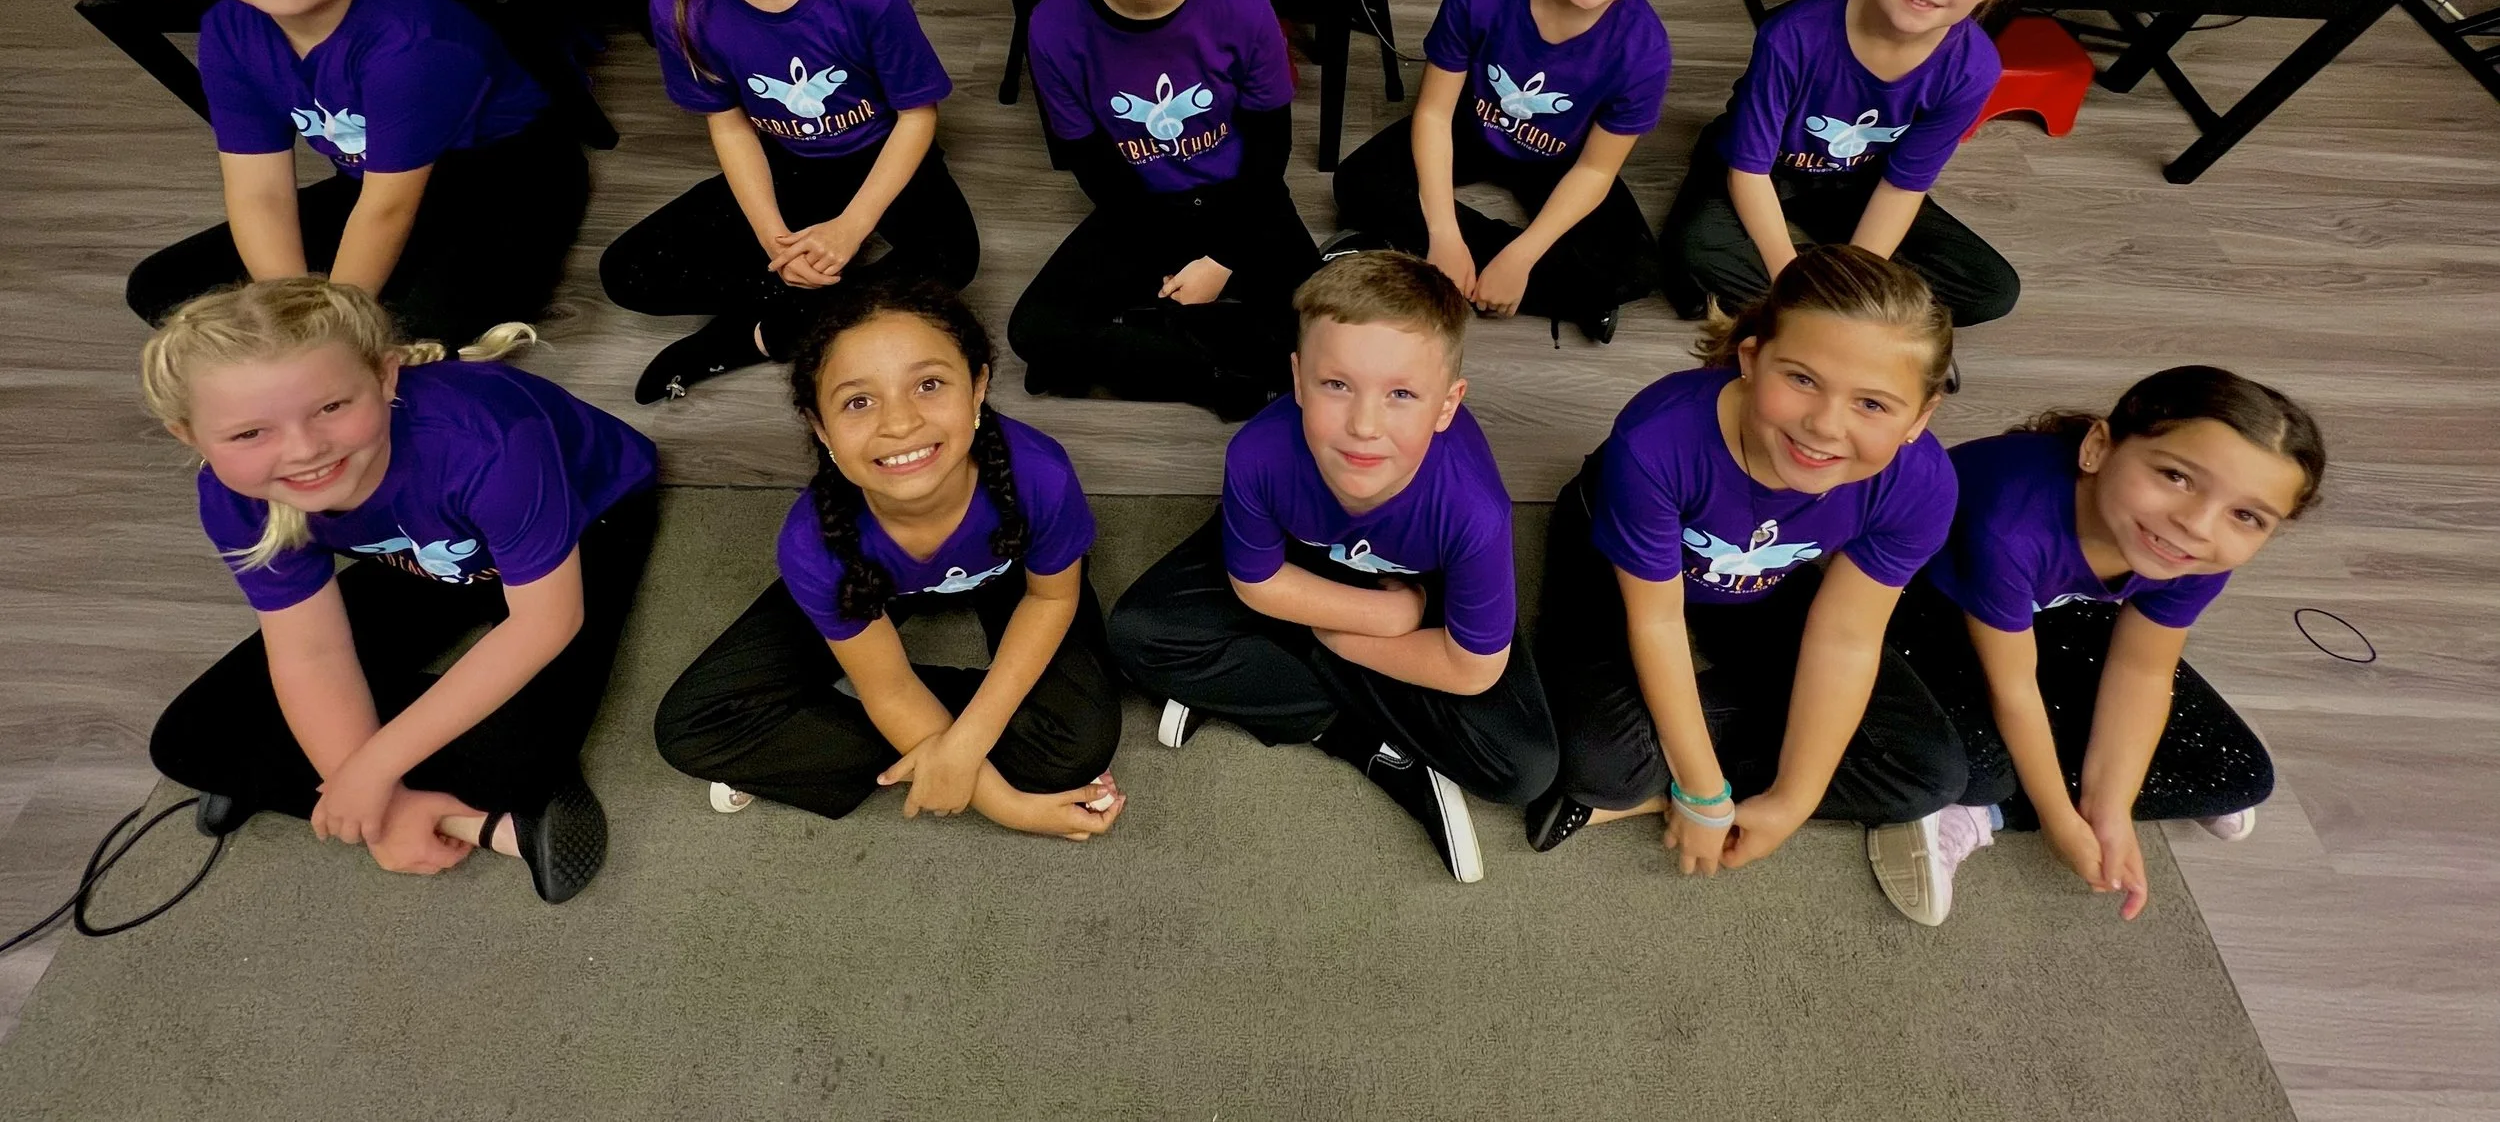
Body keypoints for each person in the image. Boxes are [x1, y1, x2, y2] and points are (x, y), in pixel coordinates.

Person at [143, 278, 657, 904]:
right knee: (184, 740)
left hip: (590, 519)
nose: (304, 451)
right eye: (250, 434)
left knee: (518, 758)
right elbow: (310, 653)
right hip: (414, 556)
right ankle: (463, 816)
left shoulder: (489, 440)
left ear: (386, 378)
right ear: (189, 435)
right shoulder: (231, 497)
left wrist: (373, 769)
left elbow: (544, 624)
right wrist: (370, 798)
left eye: (331, 407)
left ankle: (288, 772)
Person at [1108, 251, 1557, 883]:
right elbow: (1256, 580)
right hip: (1308, 566)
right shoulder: (1260, 454)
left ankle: (1262, 674)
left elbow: (1473, 669)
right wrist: (1384, 615)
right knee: (1135, 634)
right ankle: (1365, 742)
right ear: (1297, 379)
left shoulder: (1474, 511)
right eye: (1336, 385)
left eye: (1401, 394)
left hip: (1414, 586)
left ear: (1447, 405)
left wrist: (1336, 632)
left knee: (1523, 767)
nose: (1363, 425)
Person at [1526, 246, 1968, 887]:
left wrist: (1794, 800)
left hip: (1764, 584)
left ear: (1920, 419)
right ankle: (1646, 781)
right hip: (1619, 563)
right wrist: (1705, 793)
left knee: (1931, 771)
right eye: (1802, 379)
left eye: (1872, 405)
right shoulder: (1656, 442)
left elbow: (1845, 636)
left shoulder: (1922, 485)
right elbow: (1656, 622)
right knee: (1596, 762)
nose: (1824, 426)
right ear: (1751, 358)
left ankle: (1643, 793)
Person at [653, 278, 1125, 837]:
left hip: (1012, 574)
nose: (899, 424)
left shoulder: (1039, 475)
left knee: (1078, 743)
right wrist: (1002, 802)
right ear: (819, 425)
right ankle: (948, 735)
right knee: (692, 728)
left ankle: (850, 728)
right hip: (868, 581)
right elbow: (890, 690)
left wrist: (963, 744)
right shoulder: (814, 543)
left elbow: (1051, 598)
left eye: (928, 384)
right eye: (858, 401)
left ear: (978, 388)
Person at [1868, 365, 2323, 925]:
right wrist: (2060, 818)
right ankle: (1984, 805)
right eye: (2177, 477)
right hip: (1922, 607)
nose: (2198, 525)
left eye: (2246, 516)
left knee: (2241, 776)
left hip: (2049, 616)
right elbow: (2013, 688)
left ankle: (2002, 805)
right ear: (2098, 448)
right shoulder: (2009, 526)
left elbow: (2142, 672)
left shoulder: (2193, 552)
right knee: (1979, 766)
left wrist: (2110, 810)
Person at [126, 0, 590, 348]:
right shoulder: (228, 33)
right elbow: (259, 191)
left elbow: (387, 208)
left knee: (419, 333)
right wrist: (291, 305)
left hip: (504, 180)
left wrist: (332, 329)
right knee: (161, 290)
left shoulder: (413, 45)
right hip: (371, 177)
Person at [598, 0, 976, 403]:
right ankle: (813, 299)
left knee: (953, 259)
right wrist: (777, 240)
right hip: (785, 160)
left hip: (879, 152)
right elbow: (729, 123)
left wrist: (851, 229)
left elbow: (916, 115)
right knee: (626, 275)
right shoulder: (677, 7)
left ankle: (762, 332)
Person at [1332, 0, 1701, 344]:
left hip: (1561, 154)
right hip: (1471, 121)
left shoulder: (1644, 52)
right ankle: (1538, 282)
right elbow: (1435, 115)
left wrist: (1522, 255)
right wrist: (1443, 234)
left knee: (1636, 271)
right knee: (1356, 183)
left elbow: (1596, 169)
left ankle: (1424, 255)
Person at [1009, 0, 1320, 422]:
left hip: (1242, 198)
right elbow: (1093, 163)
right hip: (1140, 207)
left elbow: (1268, 150)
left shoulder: (1244, 5)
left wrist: (1221, 259)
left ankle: (1174, 346)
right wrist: (1171, 252)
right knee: (1033, 332)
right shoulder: (1053, 26)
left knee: (1324, 336)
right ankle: (1215, 375)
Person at [1658, 0, 2046, 328]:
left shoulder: (1973, 68)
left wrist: (1853, 281)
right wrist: (1795, 277)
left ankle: (1814, 310)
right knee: (1697, 254)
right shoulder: (1793, 35)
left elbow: (1903, 186)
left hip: (1859, 179)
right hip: (1761, 169)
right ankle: (1848, 311)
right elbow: (1749, 171)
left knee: (1991, 289)